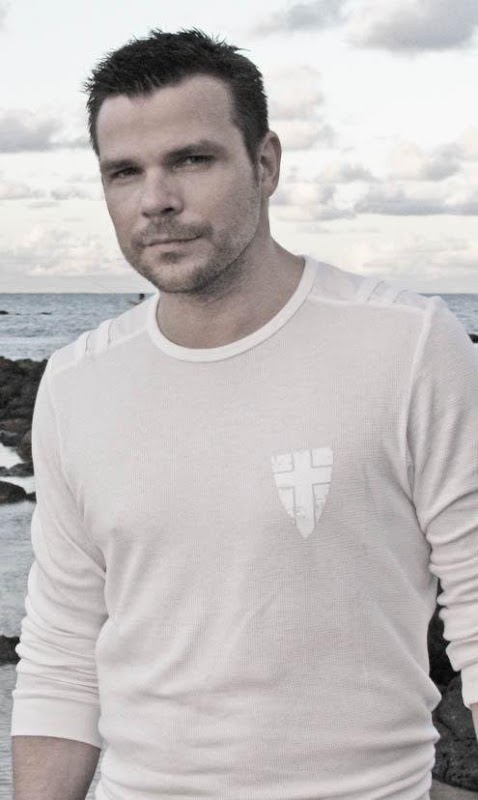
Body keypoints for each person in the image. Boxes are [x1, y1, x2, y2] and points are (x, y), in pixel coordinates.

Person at [10, 28, 478, 800]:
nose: (156, 200)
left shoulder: (408, 346)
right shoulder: (77, 383)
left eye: (192, 160)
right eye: (124, 172)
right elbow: (63, 655)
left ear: (266, 164)